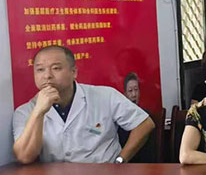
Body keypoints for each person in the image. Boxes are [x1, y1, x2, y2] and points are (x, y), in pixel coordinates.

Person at [12, 45, 154, 164]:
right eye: (40, 69)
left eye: (56, 68)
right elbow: (24, 157)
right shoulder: (25, 111)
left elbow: (145, 124)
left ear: (74, 72)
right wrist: (38, 112)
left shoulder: (105, 95)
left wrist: (120, 160)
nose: (47, 75)